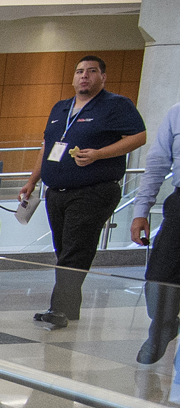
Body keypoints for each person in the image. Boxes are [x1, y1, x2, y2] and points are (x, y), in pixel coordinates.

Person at [18, 55, 146, 329]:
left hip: (93, 190)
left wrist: (100, 154)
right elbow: (46, 146)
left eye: (91, 71)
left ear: (103, 77)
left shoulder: (115, 105)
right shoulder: (61, 108)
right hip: (57, 191)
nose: (84, 76)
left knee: (75, 251)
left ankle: (58, 309)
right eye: (79, 72)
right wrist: (33, 180)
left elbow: (139, 136)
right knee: (65, 250)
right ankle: (68, 309)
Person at [131, 99, 180, 365]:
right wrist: (141, 210)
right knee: (160, 275)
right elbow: (158, 163)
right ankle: (163, 325)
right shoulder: (176, 113)